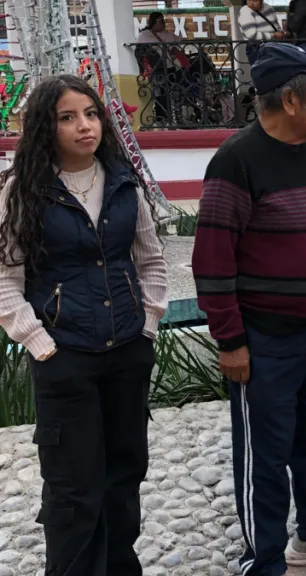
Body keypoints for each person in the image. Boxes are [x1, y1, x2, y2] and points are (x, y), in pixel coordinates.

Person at [191, 43, 306, 575]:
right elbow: (212, 259)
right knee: (265, 458)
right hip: (266, 342)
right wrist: (230, 341)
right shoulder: (236, 161)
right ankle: (263, 560)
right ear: (291, 101)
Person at [0, 75, 167, 575]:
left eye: (91, 114)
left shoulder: (122, 183)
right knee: (73, 488)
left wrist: (148, 326)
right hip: (64, 357)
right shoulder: (21, 191)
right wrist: (38, 341)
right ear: (45, 128)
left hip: (126, 355)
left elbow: (152, 261)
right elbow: (6, 276)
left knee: (124, 474)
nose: (84, 126)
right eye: (68, 117)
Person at [240, 0, 285, 64]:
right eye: (249, 0)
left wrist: (280, 32)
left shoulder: (269, 8)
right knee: (261, 71)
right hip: (256, 48)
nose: (251, 4)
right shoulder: (245, 11)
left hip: (273, 46)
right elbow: (251, 34)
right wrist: (273, 35)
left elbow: (275, 25)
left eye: (255, 1)